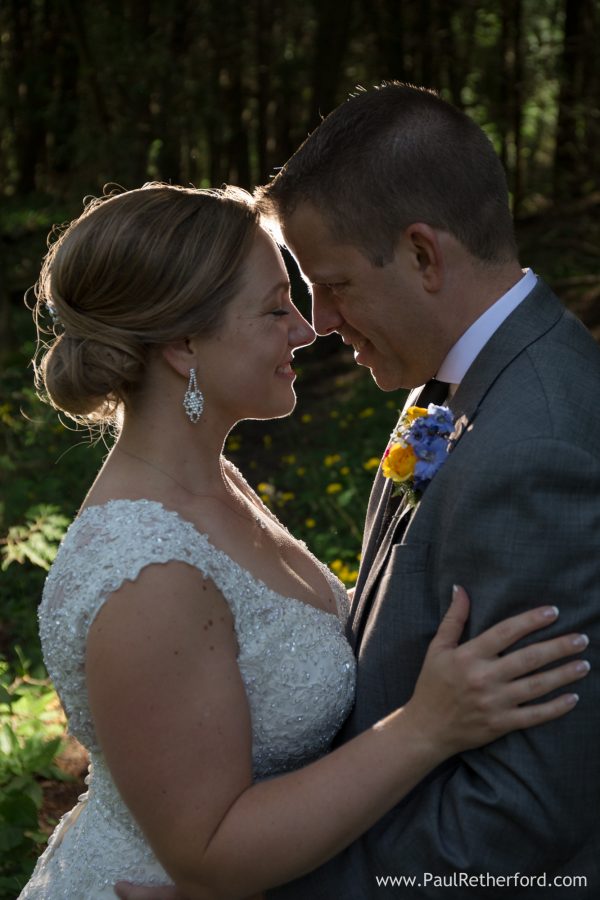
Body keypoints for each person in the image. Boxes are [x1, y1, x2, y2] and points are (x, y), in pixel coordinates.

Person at [17, 182, 587, 899]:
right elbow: (209, 854)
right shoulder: (149, 576)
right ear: (182, 344)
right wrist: (424, 729)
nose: (306, 328)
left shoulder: (216, 482)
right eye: (274, 308)